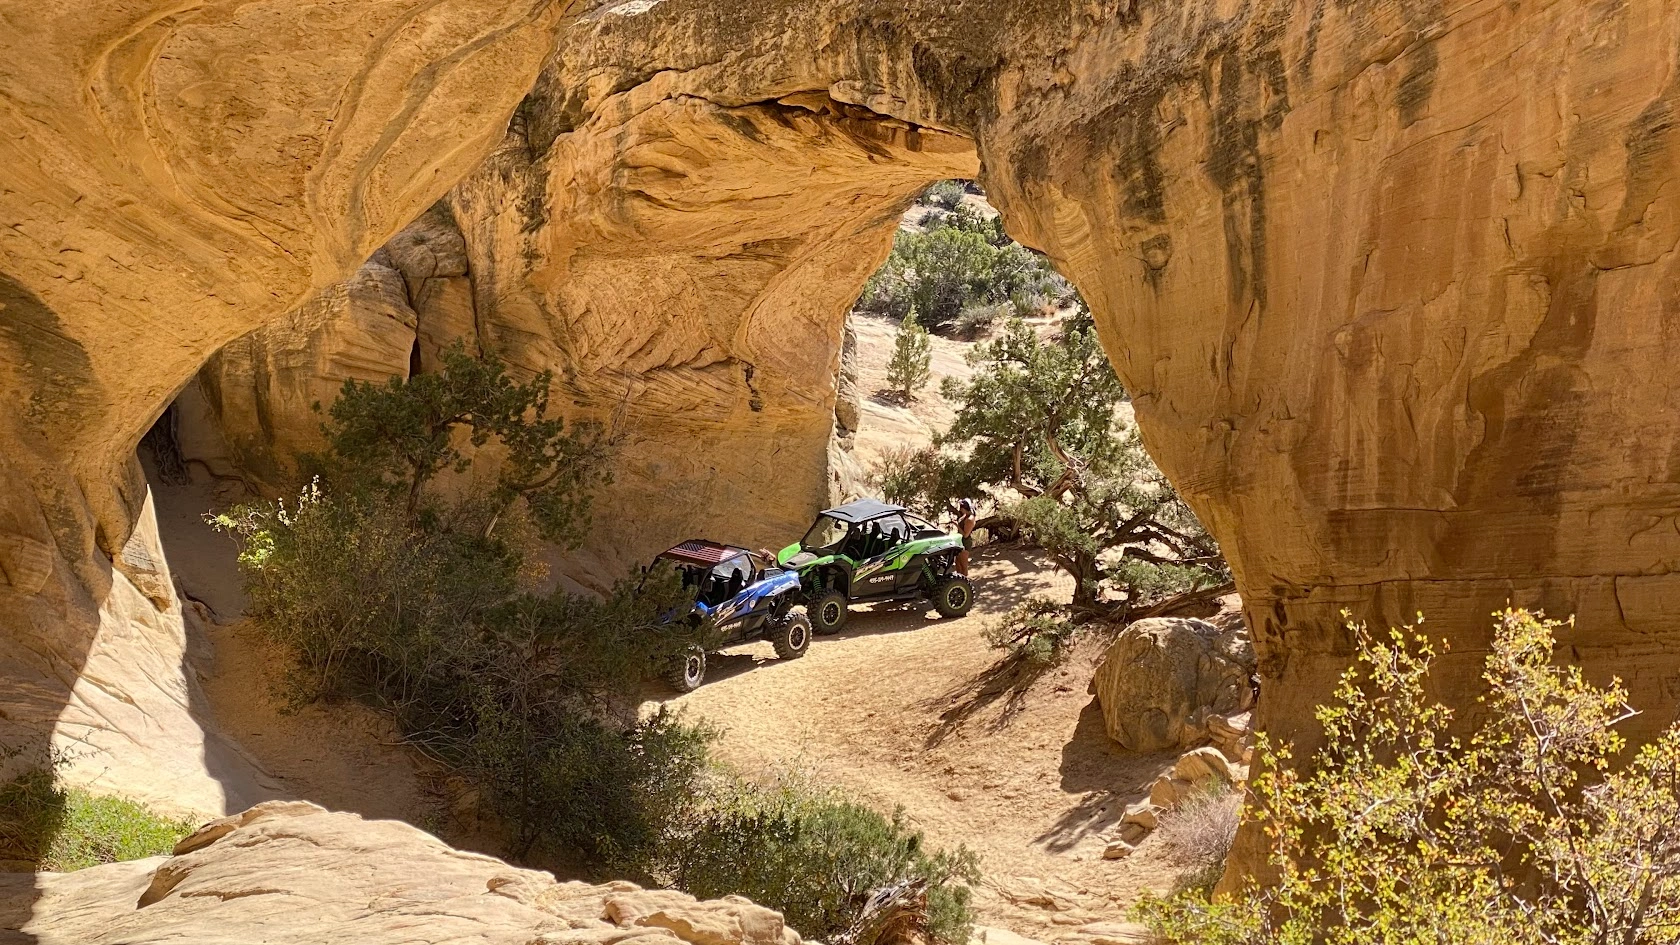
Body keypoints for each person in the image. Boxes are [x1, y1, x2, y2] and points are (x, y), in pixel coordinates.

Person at [955, 498, 977, 576]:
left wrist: (956, 525)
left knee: (963, 565)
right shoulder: (965, 516)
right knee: (958, 562)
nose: (960, 510)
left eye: (961, 508)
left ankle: (965, 582)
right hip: (959, 541)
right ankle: (959, 580)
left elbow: (965, 535)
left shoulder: (970, 519)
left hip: (965, 542)